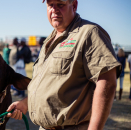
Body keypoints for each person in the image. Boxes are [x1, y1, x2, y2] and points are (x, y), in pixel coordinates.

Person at [7, 0, 122, 130]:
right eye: (50, 5)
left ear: (74, 5)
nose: (54, 9)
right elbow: (50, 84)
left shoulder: (89, 33)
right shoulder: (49, 40)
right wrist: (25, 103)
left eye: (60, 4)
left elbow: (107, 83)